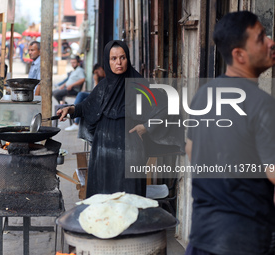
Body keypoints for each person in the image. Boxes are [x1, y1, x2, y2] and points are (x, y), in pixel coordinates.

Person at [185, 11, 275, 255]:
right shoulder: (261, 103)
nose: (271, 42)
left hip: (202, 237)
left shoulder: (204, 95)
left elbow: (191, 151)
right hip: (243, 241)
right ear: (239, 55)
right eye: (261, 38)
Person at [57, 40, 183, 198]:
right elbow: (87, 106)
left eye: (122, 58)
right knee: (103, 197)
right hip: (102, 150)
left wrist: (146, 127)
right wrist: (70, 109)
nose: (118, 63)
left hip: (129, 149)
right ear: (107, 61)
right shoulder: (104, 86)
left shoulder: (138, 84)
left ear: (128, 58)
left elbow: (168, 106)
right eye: (113, 58)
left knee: (129, 197)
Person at [65, 63, 105, 131]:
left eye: (97, 72)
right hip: (96, 95)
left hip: (101, 96)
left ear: (100, 69)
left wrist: (96, 81)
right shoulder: (100, 77)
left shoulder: (107, 77)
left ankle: (76, 123)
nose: (97, 74)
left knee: (86, 100)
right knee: (81, 94)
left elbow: (97, 92)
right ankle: (74, 112)